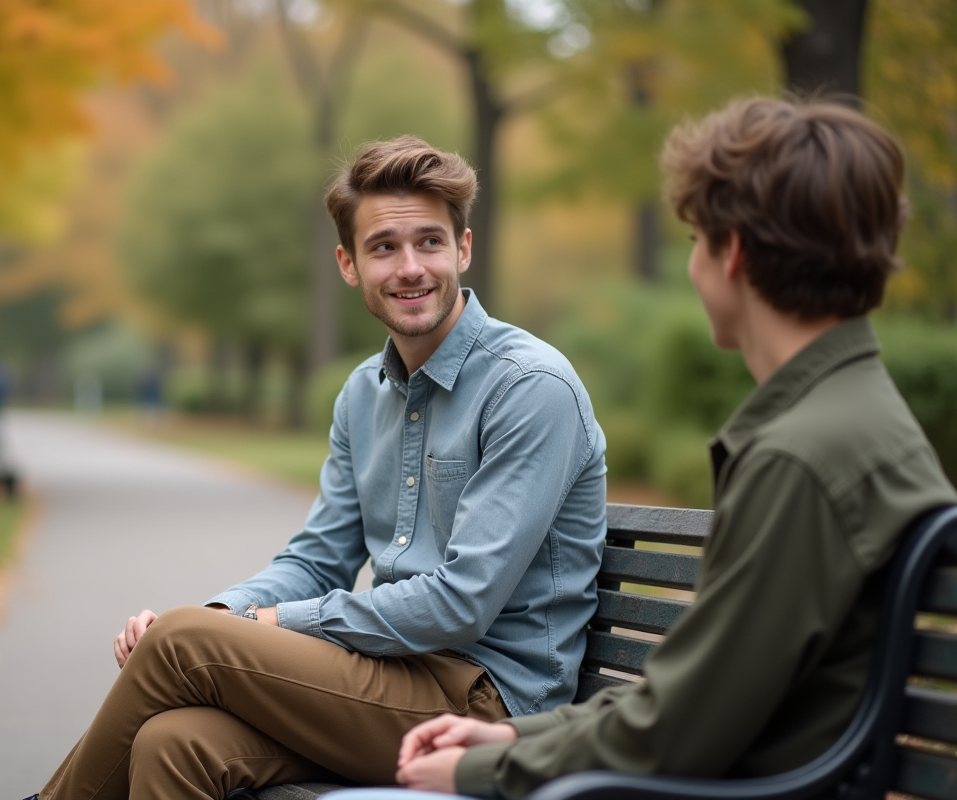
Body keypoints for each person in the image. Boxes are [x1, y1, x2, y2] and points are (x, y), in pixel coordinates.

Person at [356, 97, 957, 800]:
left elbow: (675, 731)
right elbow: (691, 697)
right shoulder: (847, 420)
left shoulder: (805, 457)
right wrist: (517, 735)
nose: (695, 264)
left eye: (697, 240)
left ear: (732, 252)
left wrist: (478, 770)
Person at [25, 136, 608, 800]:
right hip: (383, 680)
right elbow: (317, 559)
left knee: (184, 639)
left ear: (463, 250)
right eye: (384, 247)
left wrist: (251, 627)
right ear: (349, 264)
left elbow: (461, 604)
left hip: (488, 705)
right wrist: (231, 610)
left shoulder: (528, 387)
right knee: (173, 742)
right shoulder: (364, 393)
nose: (410, 267)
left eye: (430, 243)